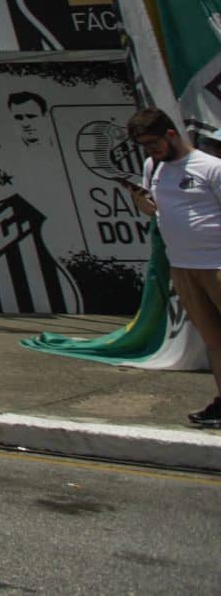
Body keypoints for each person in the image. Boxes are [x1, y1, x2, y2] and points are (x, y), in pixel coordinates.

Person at [124, 108, 221, 428]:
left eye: (153, 143)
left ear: (170, 135)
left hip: (216, 263)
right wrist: (144, 206)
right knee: (213, 338)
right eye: (143, 146)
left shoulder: (210, 168)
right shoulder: (153, 166)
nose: (150, 151)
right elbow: (159, 213)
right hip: (182, 265)